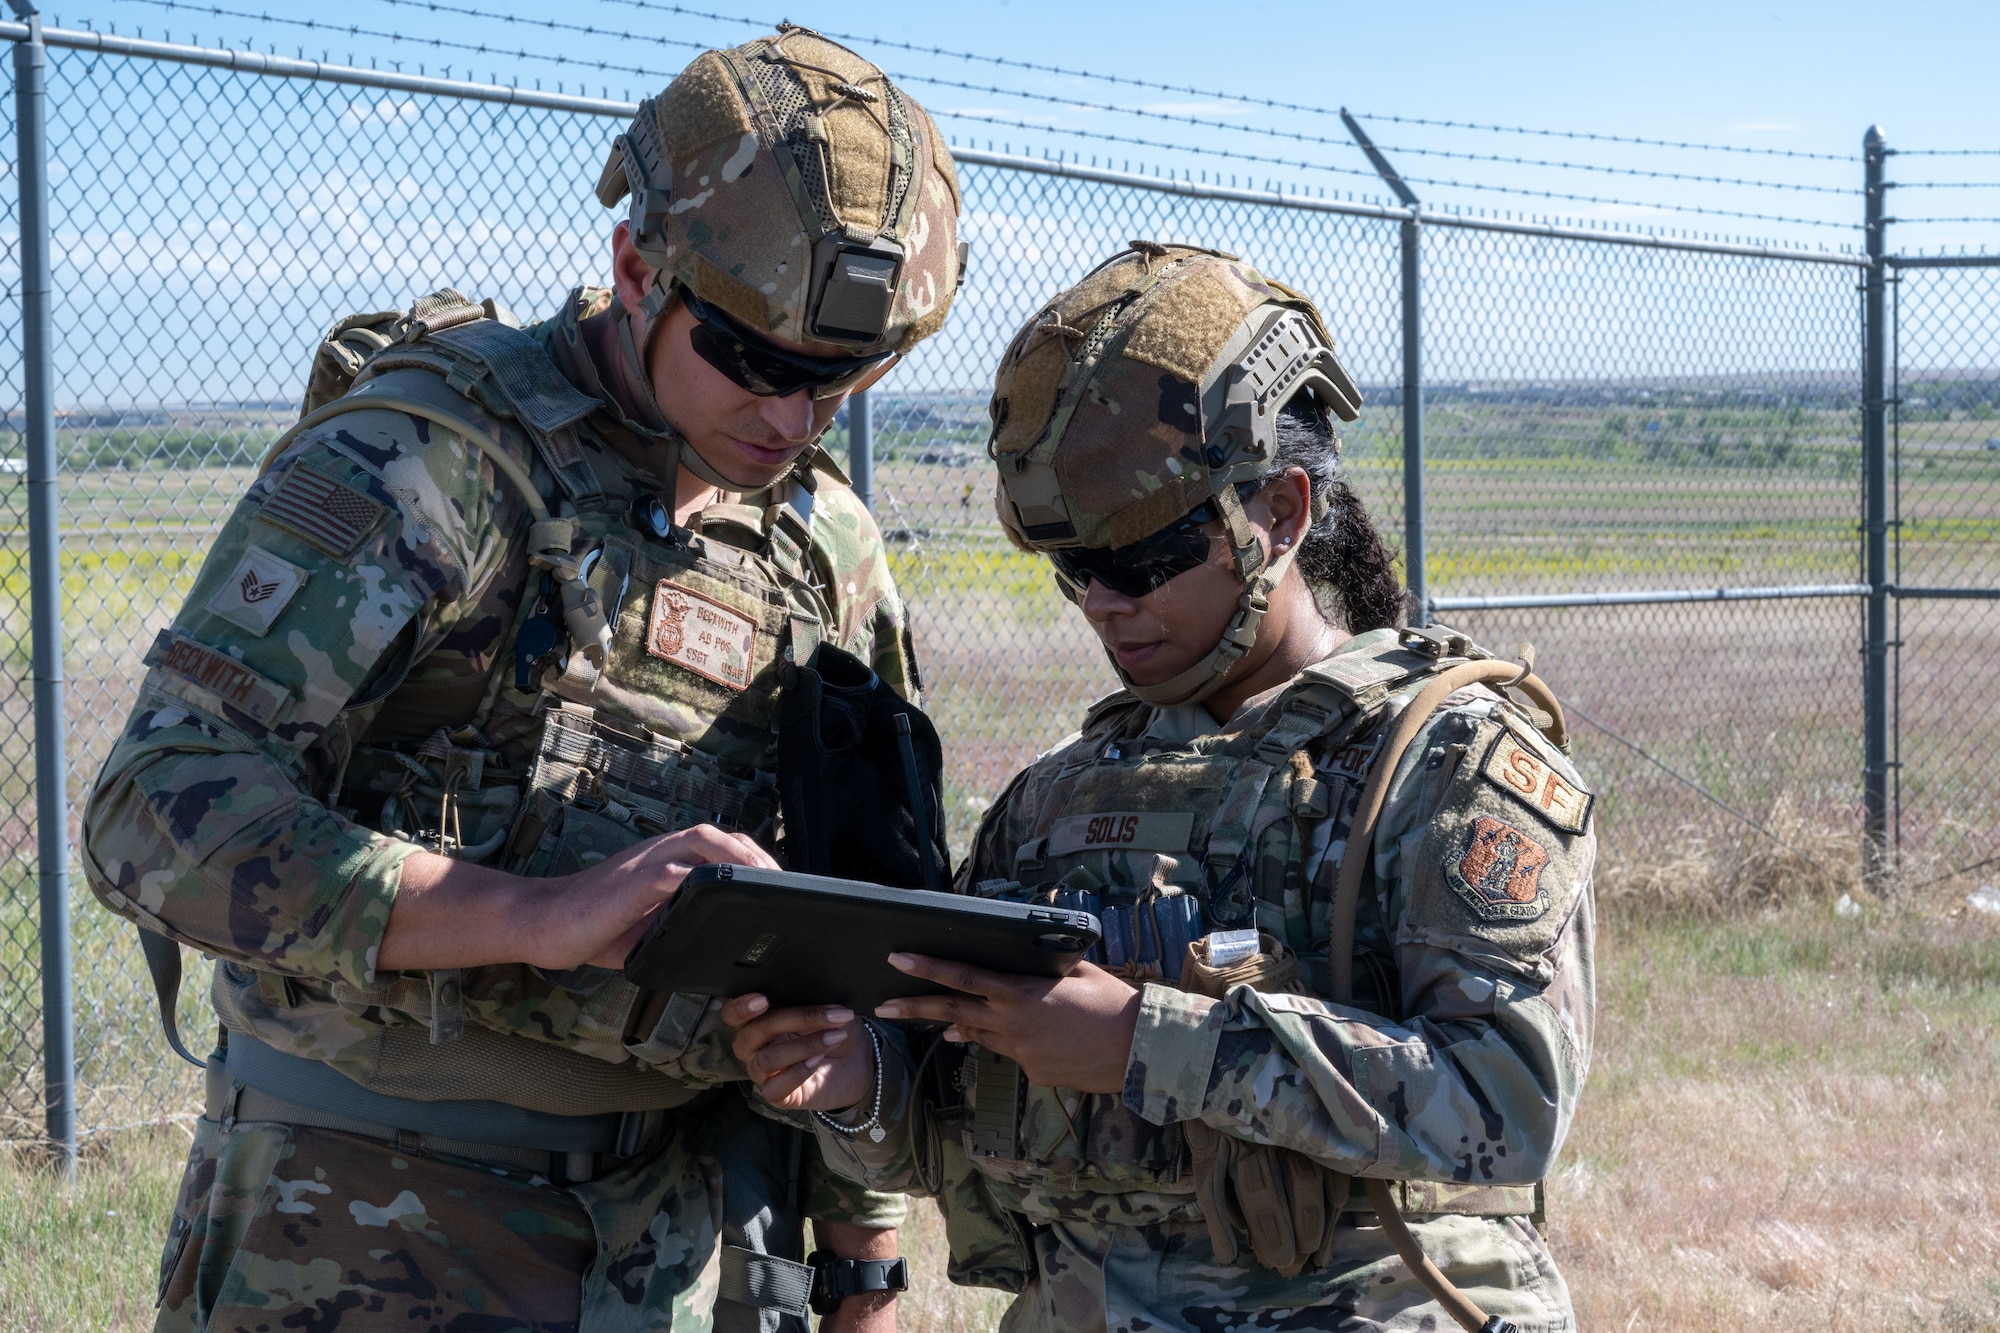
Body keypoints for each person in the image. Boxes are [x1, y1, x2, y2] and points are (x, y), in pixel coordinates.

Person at [81, 25, 965, 1333]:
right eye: (757, 364)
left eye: (840, 382)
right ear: (633, 270)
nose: (791, 417)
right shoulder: (431, 462)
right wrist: (533, 915)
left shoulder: (820, 543)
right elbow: (152, 812)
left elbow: (850, 911)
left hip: (665, 1246)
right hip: (356, 1238)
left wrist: (862, 1272)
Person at [728, 244, 1596, 1333]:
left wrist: (1149, 1041)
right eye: (1071, 568)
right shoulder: (1053, 802)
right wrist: (857, 1078)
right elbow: (958, 1110)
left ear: (1278, 511)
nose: (1101, 604)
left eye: (1140, 562)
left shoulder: (1442, 763)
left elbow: (1503, 1101)